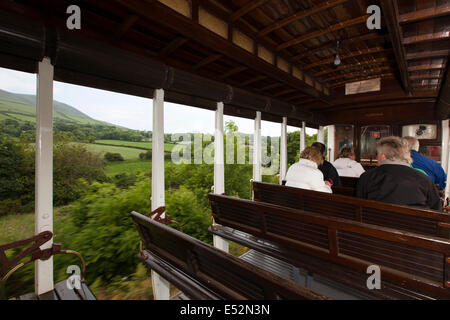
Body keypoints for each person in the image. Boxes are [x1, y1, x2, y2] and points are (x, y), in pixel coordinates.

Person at [356, 136, 441, 210]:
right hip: (414, 226)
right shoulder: (424, 179)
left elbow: (359, 204)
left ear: (383, 156)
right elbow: (436, 209)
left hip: (374, 225)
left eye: (377, 154)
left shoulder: (367, 177)